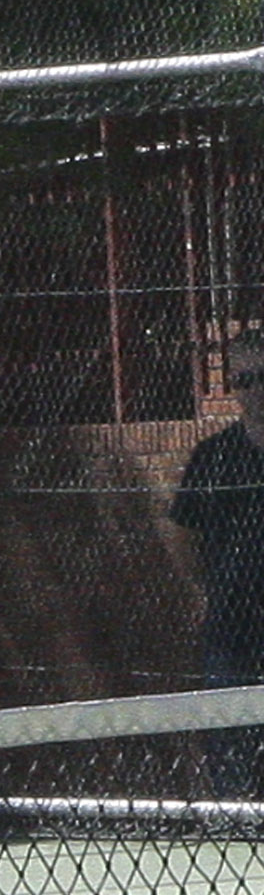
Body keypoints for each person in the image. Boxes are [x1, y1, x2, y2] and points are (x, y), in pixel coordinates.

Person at [172, 338, 264, 794]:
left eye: (262, 377)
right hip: (232, 631)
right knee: (232, 749)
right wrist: (204, 593)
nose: (255, 389)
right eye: (244, 379)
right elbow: (184, 534)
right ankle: (237, 819)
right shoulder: (213, 456)